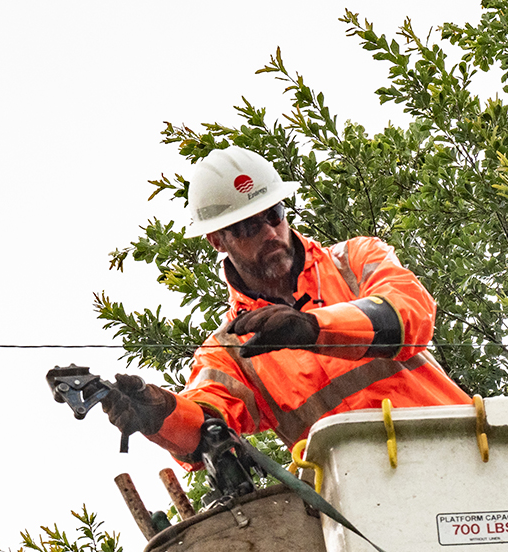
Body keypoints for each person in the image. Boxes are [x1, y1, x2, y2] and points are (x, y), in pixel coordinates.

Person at [103, 146, 470, 464]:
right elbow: (204, 429)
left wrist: (313, 328)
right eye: (248, 226)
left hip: (463, 451)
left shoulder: (355, 261)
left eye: (273, 213)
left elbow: (410, 314)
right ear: (218, 240)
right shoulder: (230, 351)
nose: (269, 231)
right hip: (362, 505)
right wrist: (159, 413)